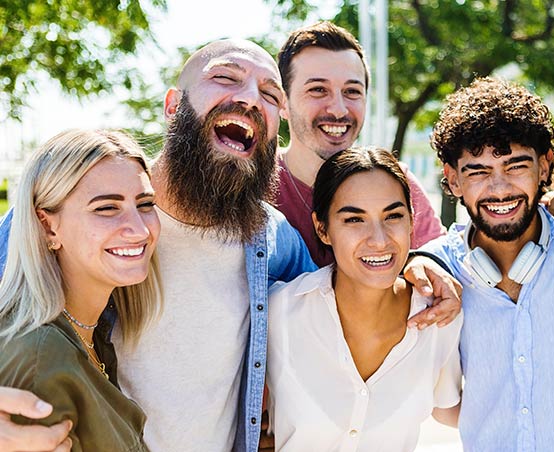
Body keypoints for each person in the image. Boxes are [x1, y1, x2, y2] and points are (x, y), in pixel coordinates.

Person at [0, 39, 459, 452]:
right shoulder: (69, 217)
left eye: (270, 94)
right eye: (225, 77)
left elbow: (347, 290)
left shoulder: (274, 240)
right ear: (174, 105)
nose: (250, 98)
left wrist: (421, 259)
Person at [421, 77, 554, 450]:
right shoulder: (439, 268)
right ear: (452, 180)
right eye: (478, 171)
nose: (499, 189)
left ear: (545, 167)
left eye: (516, 166)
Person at [265, 147, 461, 451]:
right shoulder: (279, 313)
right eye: (355, 220)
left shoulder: (441, 318)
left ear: (412, 221)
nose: (379, 240)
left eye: (393, 216)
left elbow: (454, 410)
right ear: (323, 229)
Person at [0, 129, 162, 451]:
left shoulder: (94, 335)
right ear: (47, 226)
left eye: (144, 204)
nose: (140, 229)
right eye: (106, 208)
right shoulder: (38, 356)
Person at [274, 21, 445, 266]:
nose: (338, 109)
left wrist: (421, 263)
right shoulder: (252, 185)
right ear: (282, 102)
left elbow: (440, 259)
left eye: (352, 91)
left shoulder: (395, 181)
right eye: (318, 90)